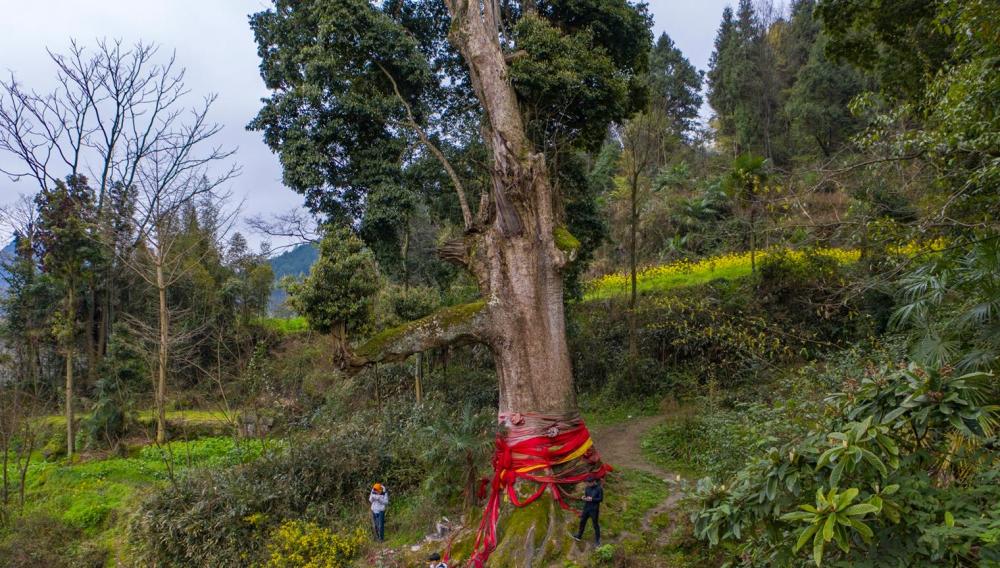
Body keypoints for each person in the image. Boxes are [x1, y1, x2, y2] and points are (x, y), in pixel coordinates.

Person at [573, 476, 603, 546]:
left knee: (595, 524)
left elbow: (600, 499)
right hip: (586, 508)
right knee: (582, 521)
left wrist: (592, 499)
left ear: (593, 482)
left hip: (594, 509)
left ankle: (597, 540)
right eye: (586, 483)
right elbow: (587, 496)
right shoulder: (587, 488)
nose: (587, 485)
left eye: (588, 483)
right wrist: (584, 498)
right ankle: (579, 536)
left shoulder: (599, 489)